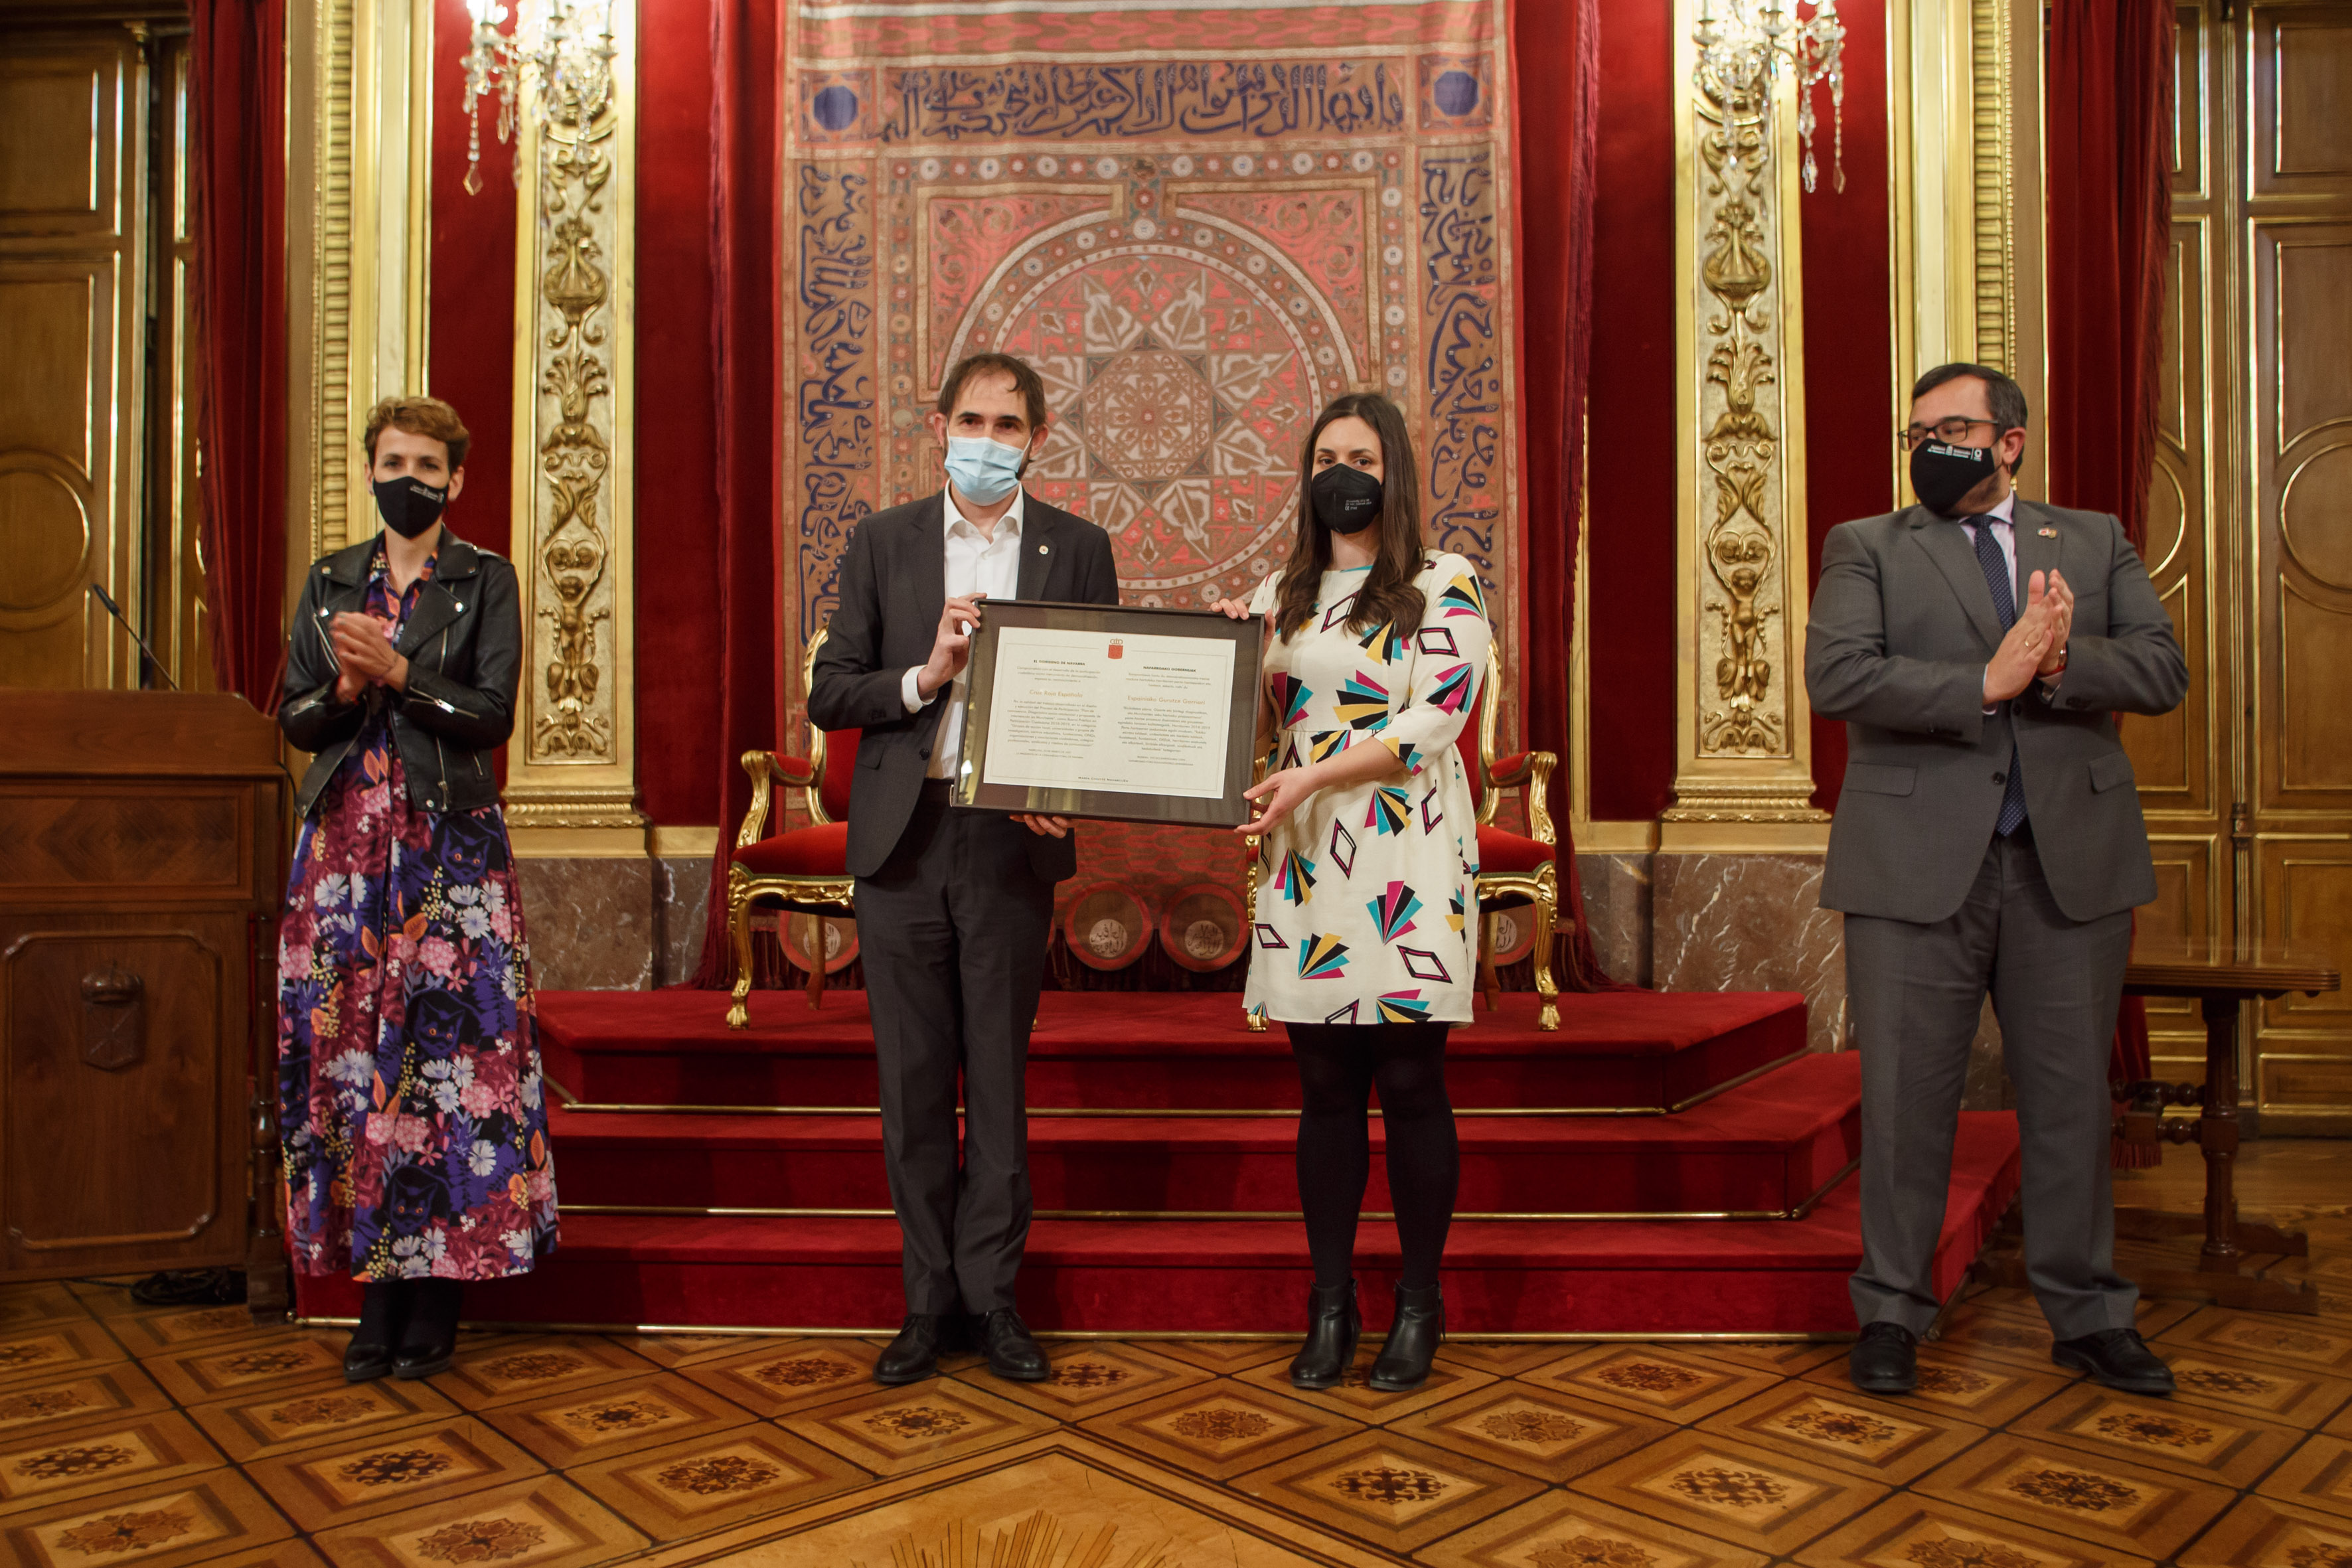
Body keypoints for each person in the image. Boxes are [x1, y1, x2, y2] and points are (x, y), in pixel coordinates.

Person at [1806, 363, 2188, 1398]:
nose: (1931, 448)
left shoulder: (2094, 540)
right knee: (1904, 1102)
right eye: (1917, 433)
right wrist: (1985, 681)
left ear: (2008, 442)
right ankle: (1893, 1311)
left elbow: (2163, 667)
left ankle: (2090, 1316)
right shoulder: (1868, 546)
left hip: (2067, 864)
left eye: (1954, 428)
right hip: (1913, 865)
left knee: (2071, 1104)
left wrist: (2062, 665)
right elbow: (1838, 675)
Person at [808, 352, 1119, 1385]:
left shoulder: (1078, 548)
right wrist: (924, 676)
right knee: (911, 1084)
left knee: (995, 1079)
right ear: (939, 425)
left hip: (1008, 844)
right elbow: (831, 691)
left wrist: (1064, 777)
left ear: (1039, 437)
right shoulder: (884, 540)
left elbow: (1102, 697)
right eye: (973, 420)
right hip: (903, 837)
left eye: (1009, 424)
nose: (989, 440)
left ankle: (993, 1300)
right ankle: (925, 1301)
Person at [1208, 391, 1488, 1393]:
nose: (1342, 474)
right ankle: (1331, 1303)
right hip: (1308, 857)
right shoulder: (1281, 593)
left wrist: (1315, 774)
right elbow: (1256, 728)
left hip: (1408, 852)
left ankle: (1419, 1301)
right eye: (1326, 457)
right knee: (1324, 1087)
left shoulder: (1443, 580)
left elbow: (1434, 721)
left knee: (1409, 1082)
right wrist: (1233, 660)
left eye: (1361, 457)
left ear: (1393, 470)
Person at [277, 396, 558, 1382]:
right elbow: (296, 720)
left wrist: (399, 672)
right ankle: (374, 1296)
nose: (410, 479)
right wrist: (344, 690)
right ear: (370, 471)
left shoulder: (486, 579)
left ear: (456, 480)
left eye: (428, 466)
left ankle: (438, 1293)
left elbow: (491, 715)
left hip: (450, 853)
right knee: (353, 1062)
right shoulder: (329, 580)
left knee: (447, 1067)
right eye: (394, 462)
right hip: (345, 855)